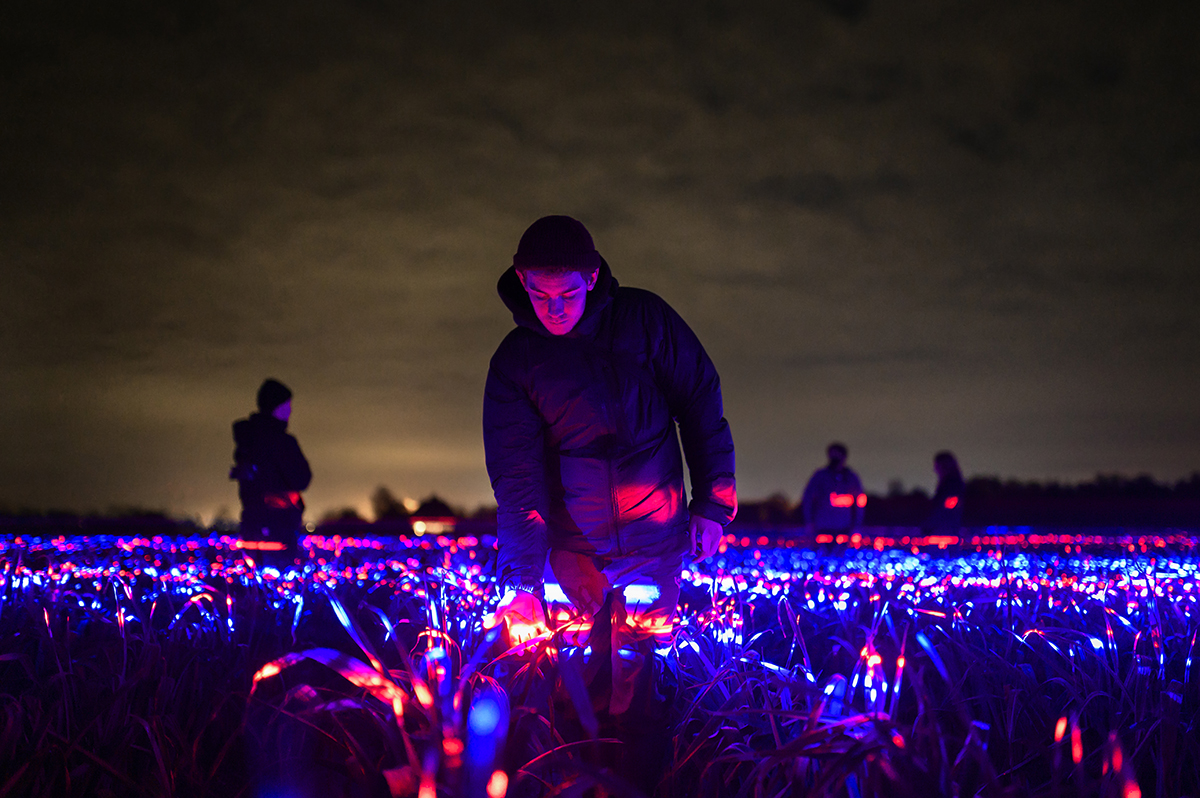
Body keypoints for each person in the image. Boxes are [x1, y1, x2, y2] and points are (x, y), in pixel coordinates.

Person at [483, 215, 737, 720]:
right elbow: (518, 481)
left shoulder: (646, 320)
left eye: (568, 295)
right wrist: (522, 583)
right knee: (568, 685)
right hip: (571, 553)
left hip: (654, 541)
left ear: (593, 277)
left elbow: (701, 404)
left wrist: (711, 504)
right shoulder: (517, 362)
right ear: (523, 282)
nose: (555, 310)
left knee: (643, 680)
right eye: (540, 295)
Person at [231, 378, 312, 566]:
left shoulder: (247, 441)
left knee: (254, 585)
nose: (290, 411)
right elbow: (302, 478)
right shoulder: (281, 442)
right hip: (280, 527)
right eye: (287, 405)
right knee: (280, 587)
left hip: (251, 523)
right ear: (276, 406)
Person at [800, 442, 866, 534]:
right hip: (823, 526)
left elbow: (860, 502)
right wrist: (809, 522)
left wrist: (857, 525)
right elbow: (808, 499)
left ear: (844, 457)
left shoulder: (851, 477)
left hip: (845, 527)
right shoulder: (820, 476)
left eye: (837, 456)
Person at [925, 450, 965, 532]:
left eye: (937, 466)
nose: (935, 470)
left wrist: (932, 522)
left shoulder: (952, 484)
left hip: (947, 527)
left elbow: (949, 504)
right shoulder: (952, 483)